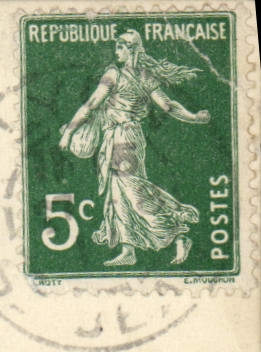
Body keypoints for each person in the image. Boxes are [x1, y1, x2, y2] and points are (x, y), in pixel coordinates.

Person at [59, 30, 210, 266]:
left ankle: (178, 234)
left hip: (123, 138)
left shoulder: (116, 75)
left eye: (121, 47)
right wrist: (193, 117)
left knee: (132, 191)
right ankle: (128, 250)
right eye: (116, 46)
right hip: (122, 137)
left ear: (133, 50)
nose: (116, 51)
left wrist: (69, 132)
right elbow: (168, 106)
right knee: (117, 195)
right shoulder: (142, 76)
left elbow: (91, 104)